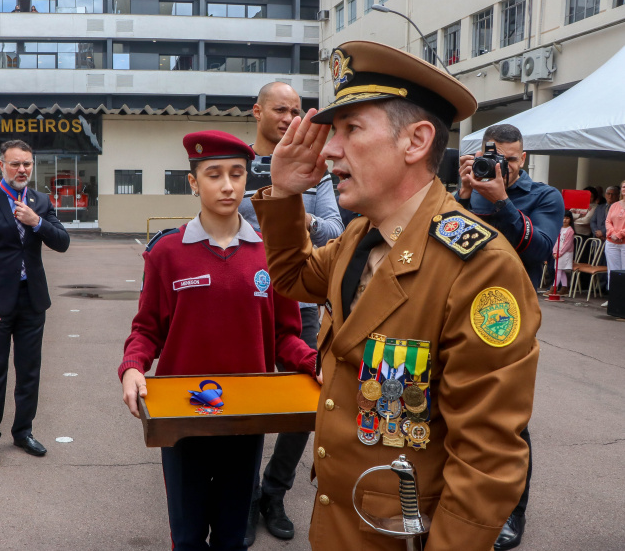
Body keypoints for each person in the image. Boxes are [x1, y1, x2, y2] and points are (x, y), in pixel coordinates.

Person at [251, 41, 540, 550]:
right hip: (341, 524)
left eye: (351, 130)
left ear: (416, 141)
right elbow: (293, 277)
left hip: (401, 535)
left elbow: (487, 463)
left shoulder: (479, 266)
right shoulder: (361, 237)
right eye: (332, 133)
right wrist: (285, 193)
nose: (329, 150)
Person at [119, 130, 319, 551]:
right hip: (183, 415)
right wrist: (133, 366)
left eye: (237, 174)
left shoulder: (270, 253)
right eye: (214, 175)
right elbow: (147, 329)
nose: (227, 186)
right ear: (193, 182)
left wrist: (313, 362)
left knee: (232, 537)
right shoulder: (167, 252)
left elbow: (285, 335)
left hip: (247, 418)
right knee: (188, 536)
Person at [237, 81, 343, 545]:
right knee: (244, 403)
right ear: (257, 111)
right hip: (243, 302)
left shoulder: (316, 171)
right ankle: (239, 497)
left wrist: (289, 203)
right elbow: (216, 218)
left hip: (299, 303)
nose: (288, 117)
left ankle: (273, 491)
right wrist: (272, 195)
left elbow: (334, 231)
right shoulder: (234, 164)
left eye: (296, 110)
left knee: (305, 405)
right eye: (280, 109)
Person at [457, 123, 562, 550]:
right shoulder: (472, 187)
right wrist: (464, 197)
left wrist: (501, 202)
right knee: (456, 407)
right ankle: (460, 500)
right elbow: (443, 240)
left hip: (509, 317)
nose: (502, 166)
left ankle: (511, 512)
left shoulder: (544, 196)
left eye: (512, 159)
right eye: (495, 156)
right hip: (460, 308)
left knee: (509, 420)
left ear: (523, 158)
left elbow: (539, 248)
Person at [0, 139, 70, 465]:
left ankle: (23, 432)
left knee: (29, 372)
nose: (22, 169)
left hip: (32, 301)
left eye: (27, 164)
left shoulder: (40, 201)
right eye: (15, 164)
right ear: (2, 166)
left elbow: (62, 242)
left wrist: (36, 222)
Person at [603, 180, 625, 307]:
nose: (624, 189)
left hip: (624, 242)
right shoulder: (614, 205)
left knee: (624, 270)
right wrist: (612, 233)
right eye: (623, 186)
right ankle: (613, 298)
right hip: (612, 242)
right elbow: (608, 221)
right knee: (613, 271)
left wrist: (620, 234)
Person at [552, 211, 575, 294]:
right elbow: (556, 241)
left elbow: (567, 244)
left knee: (559, 269)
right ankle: (564, 287)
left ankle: (554, 288)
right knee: (559, 270)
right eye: (563, 218)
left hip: (565, 253)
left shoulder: (570, 231)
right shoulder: (560, 228)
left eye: (567, 218)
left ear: (570, 220)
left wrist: (559, 253)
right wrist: (554, 251)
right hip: (558, 252)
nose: (565, 220)